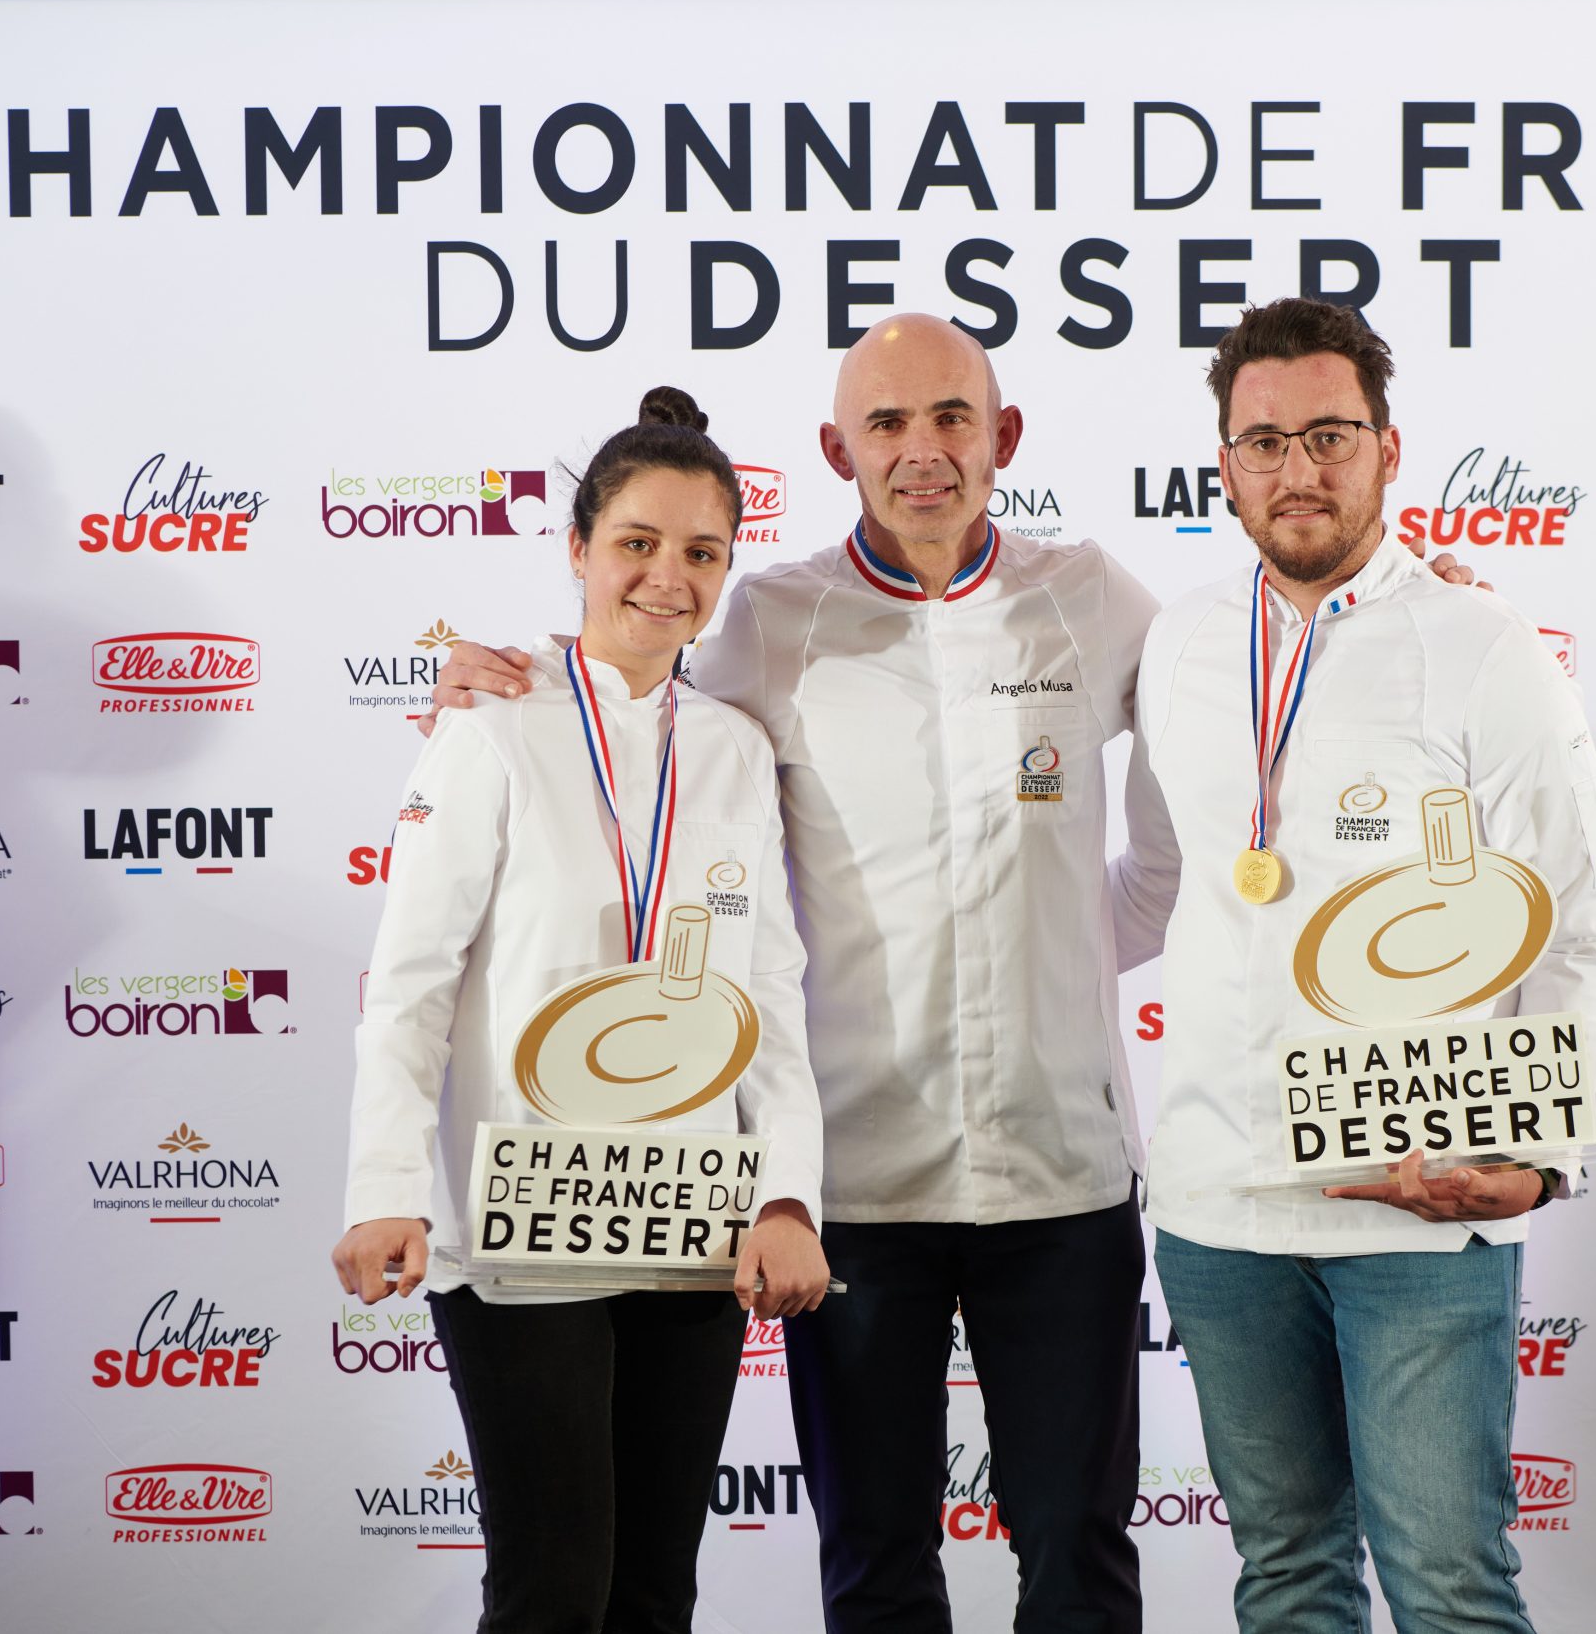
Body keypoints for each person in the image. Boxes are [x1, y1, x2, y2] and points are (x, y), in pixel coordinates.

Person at [427, 318, 1494, 1634]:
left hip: (1064, 1182)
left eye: (951, 417)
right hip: (854, 1190)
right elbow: (629, 698)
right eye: (885, 425)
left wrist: (1411, 603)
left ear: (1006, 438)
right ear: (836, 450)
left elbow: (1236, 734)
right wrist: (511, 674)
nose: (922, 450)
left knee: (1080, 1556)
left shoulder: (1094, 595)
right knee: (876, 1564)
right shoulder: (767, 618)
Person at [1113, 297, 1596, 1634]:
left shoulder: (1482, 644)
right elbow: (1165, 885)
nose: (1299, 469)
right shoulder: (1174, 644)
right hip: (1222, 1206)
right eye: (1264, 440)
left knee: (1451, 1588)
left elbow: (1581, 922)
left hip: (1421, 1194)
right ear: (1223, 463)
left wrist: (1539, 1151)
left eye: (1331, 434)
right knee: (1287, 1578)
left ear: (1390, 450)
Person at [333, 387, 831, 1634]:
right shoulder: (490, 724)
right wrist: (384, 1185)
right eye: (637, 544)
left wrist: (784, 1196)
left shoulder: (730, 745)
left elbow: (763, 993)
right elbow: (411, 981)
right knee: (554, 1586)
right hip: (518, 1219)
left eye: (703, 552)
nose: (669, 578)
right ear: (577, 549)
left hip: (685, 1216)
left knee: (656, 1590)